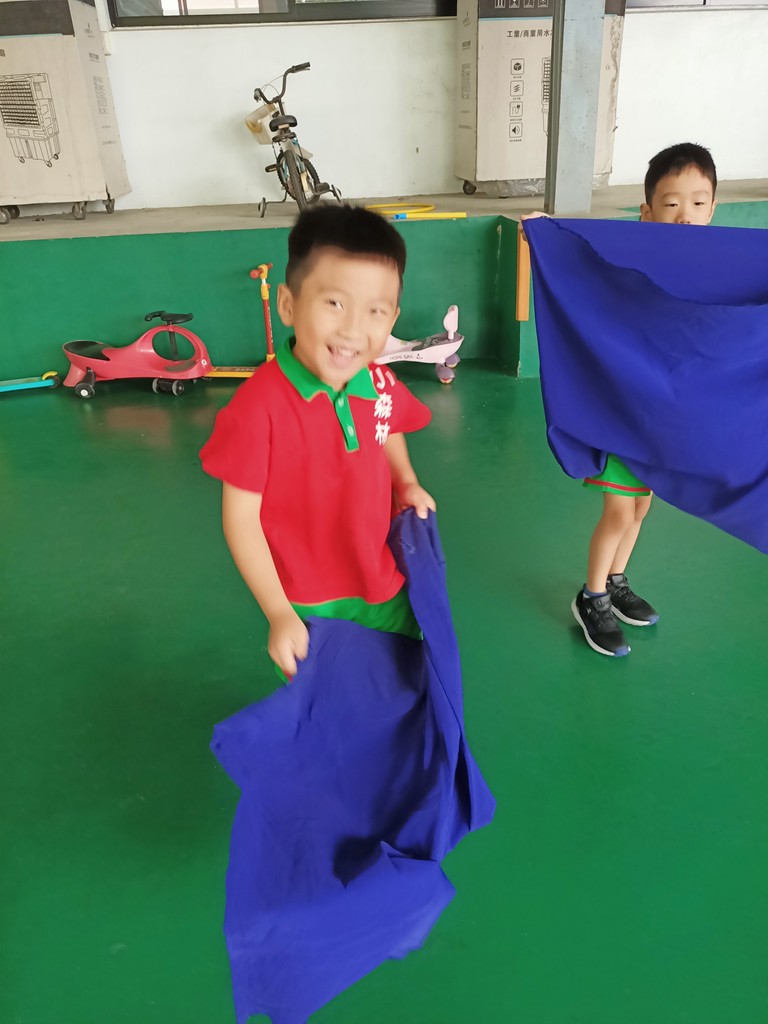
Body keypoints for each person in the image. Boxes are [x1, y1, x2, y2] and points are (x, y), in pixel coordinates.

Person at [200, 203, 435, 678]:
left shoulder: (379, 382)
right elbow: (241, 519)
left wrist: (406, 481)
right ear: (288, 304)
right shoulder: (256, 409)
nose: (353, 329)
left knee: (405, 678)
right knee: (327, 702)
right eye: (334, 303)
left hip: (382, 579)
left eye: (375, 311)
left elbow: (388, 426)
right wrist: (278, 612)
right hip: (307, 599)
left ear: (393, 317)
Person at [525, 142, 718, 657]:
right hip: (621, 411)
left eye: (698, 202)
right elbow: (585, 261)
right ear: (647, 212)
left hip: (662, 420)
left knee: (640, 509)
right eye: (671, 203)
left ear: (713, 208)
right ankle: (591, 597)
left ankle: (615, 581)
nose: (685, 215)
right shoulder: (632, 257)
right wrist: (547, 232)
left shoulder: (714, 265)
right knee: (618, 510)